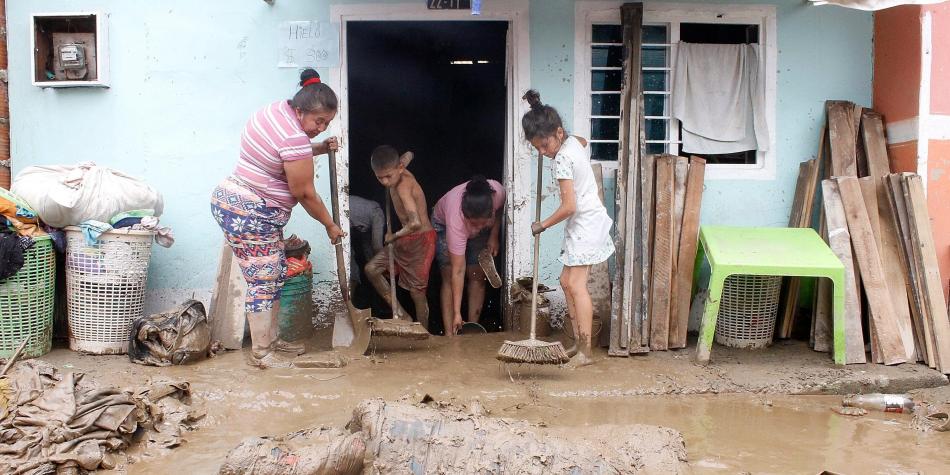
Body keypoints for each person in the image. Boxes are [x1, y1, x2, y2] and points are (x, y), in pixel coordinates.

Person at [210, 69, 344, 369]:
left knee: (276, 272)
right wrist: (330, 224)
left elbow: (284, 150)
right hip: (250, 212)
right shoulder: (293, 136)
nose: (321, 128)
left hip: (237, 203)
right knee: (264, 278)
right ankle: (262, 352)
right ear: (300, 111)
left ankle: (271, 342)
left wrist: (318, 149)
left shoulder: (275, 112)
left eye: (327, 123)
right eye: (318, 121)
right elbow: (305, 192)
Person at [522, 89, 614, 368]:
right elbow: (584, 140)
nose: (542, 152)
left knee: (575, 284)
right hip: (586, 221)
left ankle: (585, 351)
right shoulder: (574, 141)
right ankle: (577, 342)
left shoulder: (562, 160)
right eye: (536, 147)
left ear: (558, 133)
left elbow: (569, 206)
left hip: (585, 222)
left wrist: (542, 225)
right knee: (565, 282)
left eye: (544, 145)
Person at [364, 146, 436, 329]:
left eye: (389, 176)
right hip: (404, 240)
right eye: (380, 177)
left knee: (417, 292)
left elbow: (415, 223)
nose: (385, 182)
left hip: (420, 240)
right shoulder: (399, 167)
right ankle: (402, 314)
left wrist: (392, 236)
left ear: (400, 168)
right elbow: (409, 154)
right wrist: (407, 155)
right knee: (371, 269)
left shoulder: (404, 186)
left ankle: (424, 333)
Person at [432, 176, 505, 336]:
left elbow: (500, 210)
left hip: (476, 221)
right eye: (474, 223)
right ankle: (450, 333)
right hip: (444, 225)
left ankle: (472, 330)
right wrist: (458, 313)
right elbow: (458, 271)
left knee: (477, 275)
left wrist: (493, 234)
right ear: (466, 215)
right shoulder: (455, 220)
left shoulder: (497, 193)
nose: (478, 228)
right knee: (449, 274)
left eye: (482, 223)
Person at [348, 194, 385, 287]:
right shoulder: (377, 212)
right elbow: (377, 245)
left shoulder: (364, 219)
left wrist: (371, 261)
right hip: (338, 223)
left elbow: (367, 246)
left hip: (336, 219)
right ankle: (348, 300)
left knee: (352, 268)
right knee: (352, 271)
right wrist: (380, 265)